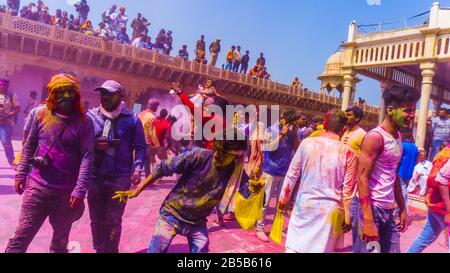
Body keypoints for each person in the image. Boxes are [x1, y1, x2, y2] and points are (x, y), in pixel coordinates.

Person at [112, 129, 247, 253]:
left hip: (197, 221)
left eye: (235, 156)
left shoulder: (236, 172)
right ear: (219, 148)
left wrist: (255, 188)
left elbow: (250, 194)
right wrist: (138, 190)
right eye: (232, 155)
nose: (236, 159)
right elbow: (163, 168)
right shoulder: (199, 156)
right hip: (172, 214)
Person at [5, 74, 94, 253]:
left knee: (60, 241)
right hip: (37, 188)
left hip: (66, 193)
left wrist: (79, 189)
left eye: (70, 92)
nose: (66, 97)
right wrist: (21, 173)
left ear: (76, 95)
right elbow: (29, 145)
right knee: (21, 236)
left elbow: (87, 157)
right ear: (52, 93)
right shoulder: (41, 114)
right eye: (61, 92)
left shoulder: (84, 122)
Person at [278, 109, 356, 252]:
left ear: (324, 125)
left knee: (295, 248)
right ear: (344, 129)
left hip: (304, 206)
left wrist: (283, 200)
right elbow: (348, 190)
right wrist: (347, 216)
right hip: (330, 212)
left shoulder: (307, 144)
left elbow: (292, 174)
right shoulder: (348, 153)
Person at [356, 86, 420, 253]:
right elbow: (361, 177)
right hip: (371, 208)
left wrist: (403, 208)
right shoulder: (375, 138)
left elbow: (394, 176)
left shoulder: (397, 137)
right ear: (390, 110)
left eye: (413, 110)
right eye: (407, 110)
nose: (412, 115)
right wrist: (368, 220)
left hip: (389, 209)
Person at [87, 80, 146, 253]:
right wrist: (94, 145)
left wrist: (138, 169)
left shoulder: (133, 119)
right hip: (95, 177)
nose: (104, 97)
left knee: (114, 220)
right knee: (96, 219)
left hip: (120, 179)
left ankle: (111, 250)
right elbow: (81, 145)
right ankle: (99, 248)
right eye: (102, 94)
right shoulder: (91, 117)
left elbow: (141, 147)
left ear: (120, 96)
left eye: (109, 94)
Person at [255, 109, 297, 242]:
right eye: (287, 121)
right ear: (282, 117)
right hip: (270, 171)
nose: (288, 125)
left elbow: (297, 148)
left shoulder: (291, 133)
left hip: (284, 172)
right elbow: (266, 148)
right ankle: (260, 228)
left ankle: (276, 228)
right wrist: (281, 135)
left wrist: (294, 135)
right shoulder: (269, 130)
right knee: (265, 202)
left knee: (280, 204)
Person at [407, 145, 450, 252]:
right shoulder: (445, 155)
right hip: (442, 207)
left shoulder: (444, 153)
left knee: (424, 238)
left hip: (436, 204)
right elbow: (437, 179)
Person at [340, 106, 367, 252]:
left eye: (349, 115)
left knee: (351, 214)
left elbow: (365, 158)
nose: (346, 116)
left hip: (353, 180)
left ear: (357, 118)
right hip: (341, 177)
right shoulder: (344, 131)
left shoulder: (362, 135)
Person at [397, 128, 419, 214]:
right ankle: (401, 211)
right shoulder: (415, 148)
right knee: (404, 190)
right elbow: (416, 160)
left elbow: (398, 158)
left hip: (401, 171)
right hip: (409, 172)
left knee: (403, 192)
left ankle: (405, 211)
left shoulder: (402, 145)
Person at [0, 78, 20, 167]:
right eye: (0, 84)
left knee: (5, 142)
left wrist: (8, 115)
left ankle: (12, 161)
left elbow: (18, 109)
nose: (1, 86)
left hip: (6, 123)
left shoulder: (12, 95)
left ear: (7, 86)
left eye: (4, 85)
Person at [138, 98, 159, 177]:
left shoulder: (140, 113)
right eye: (157, 106)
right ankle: (134, 176)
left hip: (138, 140)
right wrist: (156, 145)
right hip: (146, 142)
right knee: (142, 160)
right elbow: (152, 132)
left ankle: (147, 176)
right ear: (154, 107)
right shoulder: (152, 117)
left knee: (146, 160)